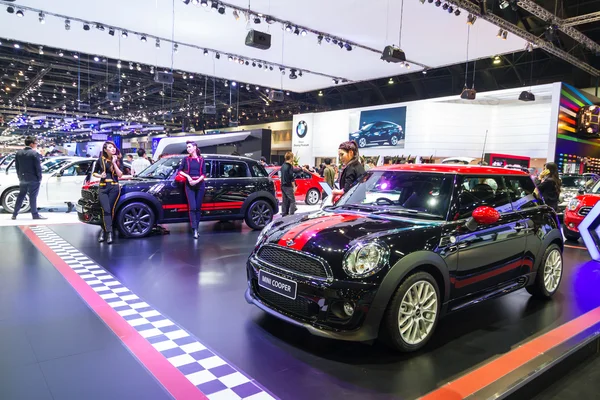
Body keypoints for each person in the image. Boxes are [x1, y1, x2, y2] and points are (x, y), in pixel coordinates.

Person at [93, 141, 123, 244]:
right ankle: (105, 230)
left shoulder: (118, 160)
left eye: (113, 147)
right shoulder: (100, 160)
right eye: (110, 147)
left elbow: (120, 175)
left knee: (110, 210)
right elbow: (94, 173)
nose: (113, 148)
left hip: (114, 187)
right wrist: (100, 176)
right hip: (103, 187)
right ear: (105, 150)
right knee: (105, 210)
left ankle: (108, 232)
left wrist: (114, 163)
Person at [12, 136, 46, 220]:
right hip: (33, 179)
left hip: (22, 178)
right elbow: (38, 167)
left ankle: (14, 214)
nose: (36, 145)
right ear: (31, 144)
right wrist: (39, 178)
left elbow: (17, 167)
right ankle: (35, 215)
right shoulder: (34, 153)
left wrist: (19, 176)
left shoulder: (18, 153)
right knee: (32, 197)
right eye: (35, 143)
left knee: (21, 196)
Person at [177, 141, 206, 239]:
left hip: (200, 184)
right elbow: (180, 170)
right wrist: (188, 177)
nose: (188, 149)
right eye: (187, 147)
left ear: (195, 147)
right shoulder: (186, 159)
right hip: (189, 185)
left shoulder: (201, 159)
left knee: (198, 208)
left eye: (189, 147)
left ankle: (196, 229)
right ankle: (194, 229)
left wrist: (197, 181)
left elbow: (204, 174)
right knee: (192, 207)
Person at [280, 151, 297, 217]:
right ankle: (291, 215)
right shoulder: (290, 166)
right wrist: (294, 186)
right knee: (292, 201)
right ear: (291, 158)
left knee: (284, 201)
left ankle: (284, 214)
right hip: (288, 186)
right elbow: (291, 177)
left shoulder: (283, 165)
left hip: (283, 185)